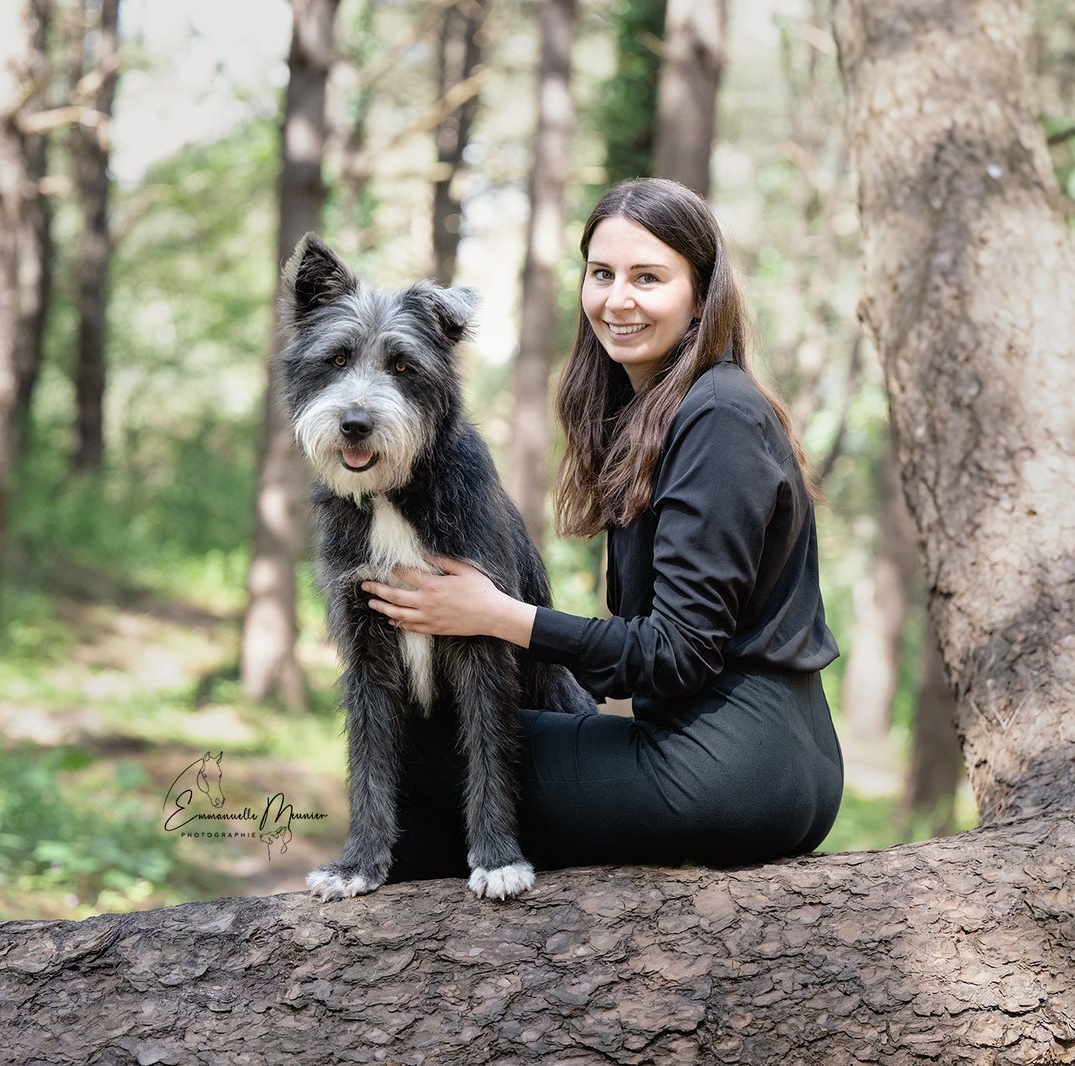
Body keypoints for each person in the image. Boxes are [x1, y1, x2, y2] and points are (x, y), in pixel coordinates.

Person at [361, 177, 843, 879]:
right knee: (487, 755)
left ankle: (405, 957)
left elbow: (677, 653)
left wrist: (501, 616)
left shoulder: (717, 418)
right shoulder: (668, 414)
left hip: (731, 769)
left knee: (416, 745)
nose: (618, 300)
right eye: (602, 274)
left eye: (648, 277)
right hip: (767, 764)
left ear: (702, 294)